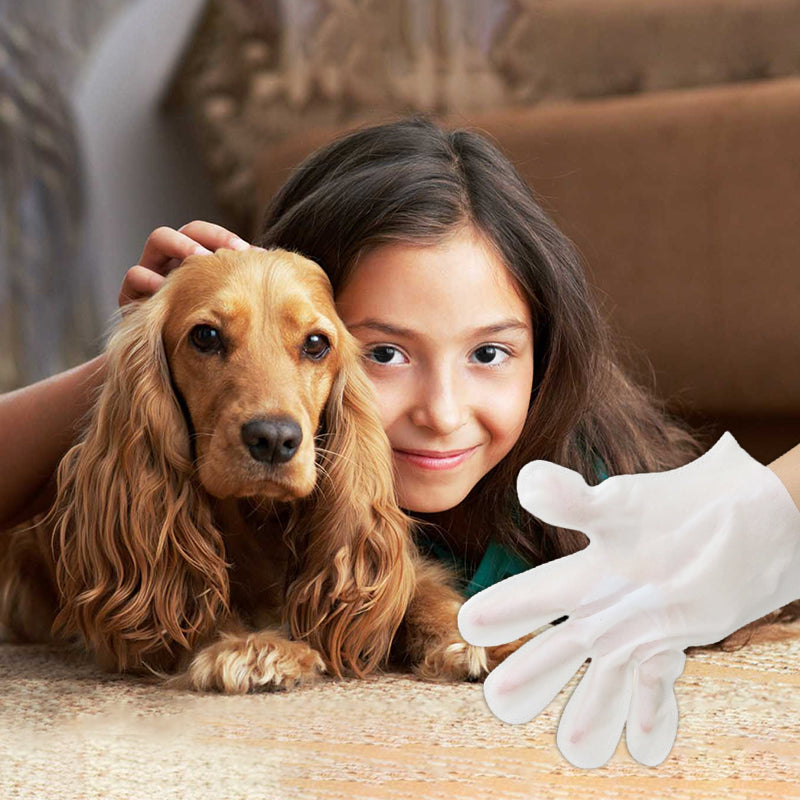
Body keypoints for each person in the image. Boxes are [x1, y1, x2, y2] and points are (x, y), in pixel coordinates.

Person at [2, 116, 799, 640]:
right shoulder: (245, 476)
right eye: (382, 354)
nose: (444, 413)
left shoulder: (588, 484)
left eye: (489, 353)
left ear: (544, 355)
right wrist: (151, 348)